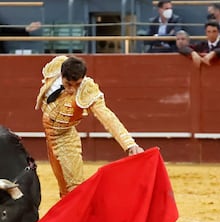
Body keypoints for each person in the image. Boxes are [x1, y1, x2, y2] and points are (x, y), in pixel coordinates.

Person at [35, 55, 144, 197]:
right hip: (49, 138)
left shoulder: (87, 89)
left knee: (74, 188)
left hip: (65, 139)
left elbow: (107, 116)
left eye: (77, 84)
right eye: (68, 84)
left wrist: (129, 144)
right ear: (61, 75)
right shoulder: (56, 67)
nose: (72, 89)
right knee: (63, 187)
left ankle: (83, 217)